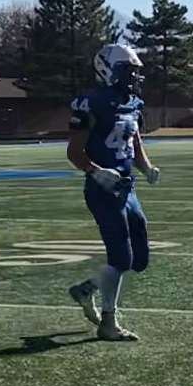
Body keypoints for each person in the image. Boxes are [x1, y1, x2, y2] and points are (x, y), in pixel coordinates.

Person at [66, 44, 160, 341]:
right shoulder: (90, 103)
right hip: (102, 189)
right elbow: (73, 151)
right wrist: (96, 171)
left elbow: (135, 142)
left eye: (134, 71)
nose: (133, 77)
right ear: (107, 70)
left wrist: (146, 166)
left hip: (127, 188)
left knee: (139, 259)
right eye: (127, 70)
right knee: (120, 257)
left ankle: (87, 289)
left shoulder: (132, 103)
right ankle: (109, 322)